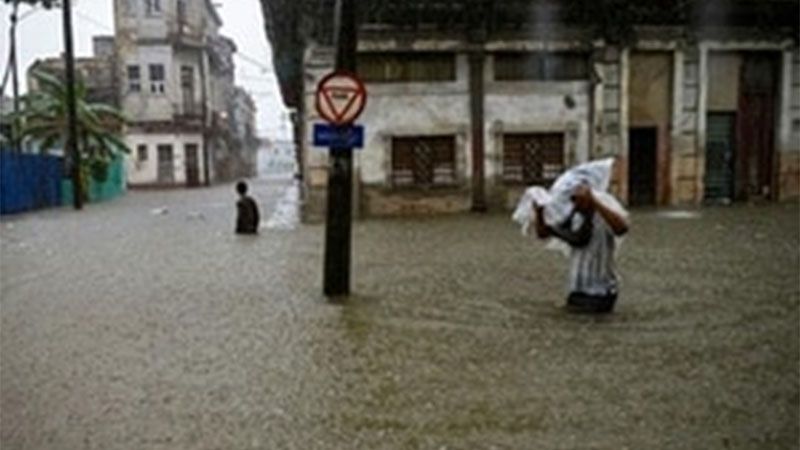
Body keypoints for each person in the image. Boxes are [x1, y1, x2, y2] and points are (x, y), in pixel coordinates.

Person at [534, 183, 629, 314]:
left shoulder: (603, 217)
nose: (575, 203)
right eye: (573, 199)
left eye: (579, 199)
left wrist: (595, 201)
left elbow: (622, 228)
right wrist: (539, 212)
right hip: (577, 288)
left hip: (601, 292)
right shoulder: (575, 216)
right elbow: (544, 233)